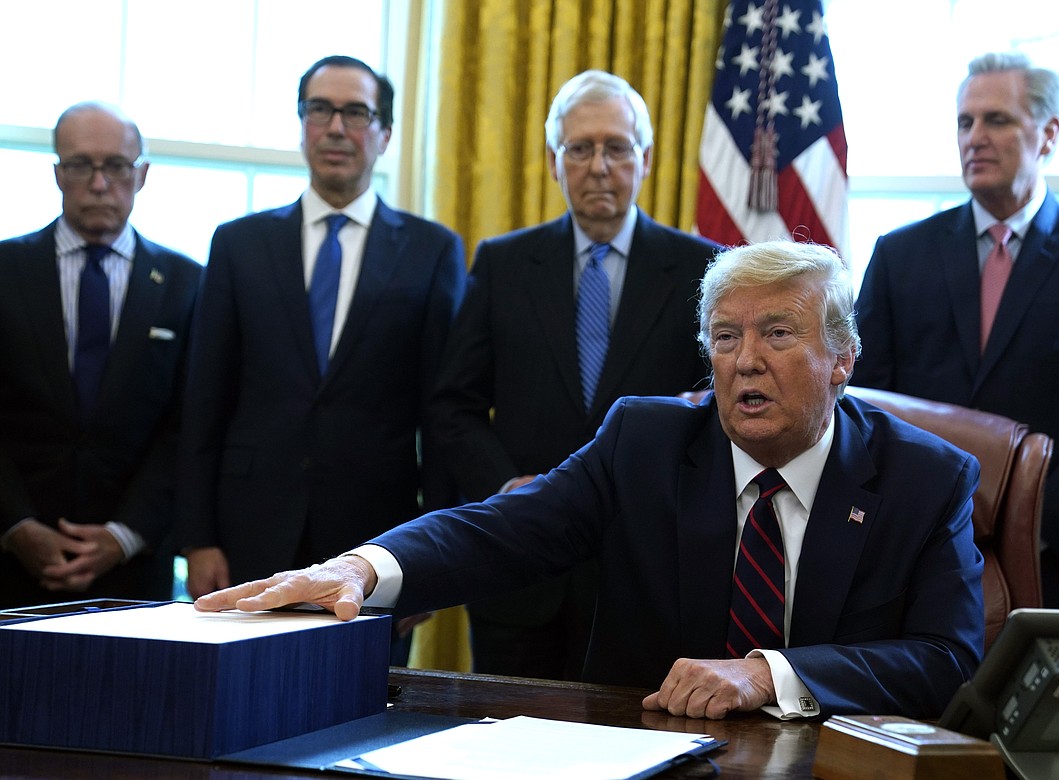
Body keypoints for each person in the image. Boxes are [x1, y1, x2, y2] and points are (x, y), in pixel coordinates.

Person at [197, 239, 985, 722]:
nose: (745, 360)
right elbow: (506, 528)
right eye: (724, 337)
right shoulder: (645, 440)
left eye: (778, 334)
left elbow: (948, 658)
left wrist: (769, 674)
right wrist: (362, 567)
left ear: (843, 358)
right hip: (647, 754)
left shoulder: (925, 477)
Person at [429, 69, 720, 680]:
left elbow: (718, 409)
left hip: (646, 566)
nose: (598, 166)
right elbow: (453, 405)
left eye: (616, 148)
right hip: (520, 568)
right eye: (580, 148)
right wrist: (507, 486)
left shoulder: (701, 268)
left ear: (644, 158)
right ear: (553, 161)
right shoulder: (503, 263)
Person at [176, 56, 466, 661]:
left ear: (383, 133)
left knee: (361, 724)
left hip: (375, 547)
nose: (336, 127)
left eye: (356, 112)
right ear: (302, 124)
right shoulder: (238, 244)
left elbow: (444, 421)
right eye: (320, 110)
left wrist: (430, 560)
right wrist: (197, 539)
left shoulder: (432, 251)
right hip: (247, 532)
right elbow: (204, 401)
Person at [853, 52, 1059, 610]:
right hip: (908, 554)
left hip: (1049, 561)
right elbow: (865, 401)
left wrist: (1025, 525)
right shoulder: (899, 254)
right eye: (965, 122)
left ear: (1048, 135)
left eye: (997, 120)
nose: (974, 138)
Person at [0, 102, 202, 607]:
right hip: (7, 560)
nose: (98, 183)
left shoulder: (188, 284)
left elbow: (189, 425)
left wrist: (124, 535)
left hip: (134, 570)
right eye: (79, 165)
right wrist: (15, 525)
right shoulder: (5, 270)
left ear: (142, 175)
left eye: (115, 166)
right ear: (56, 174)